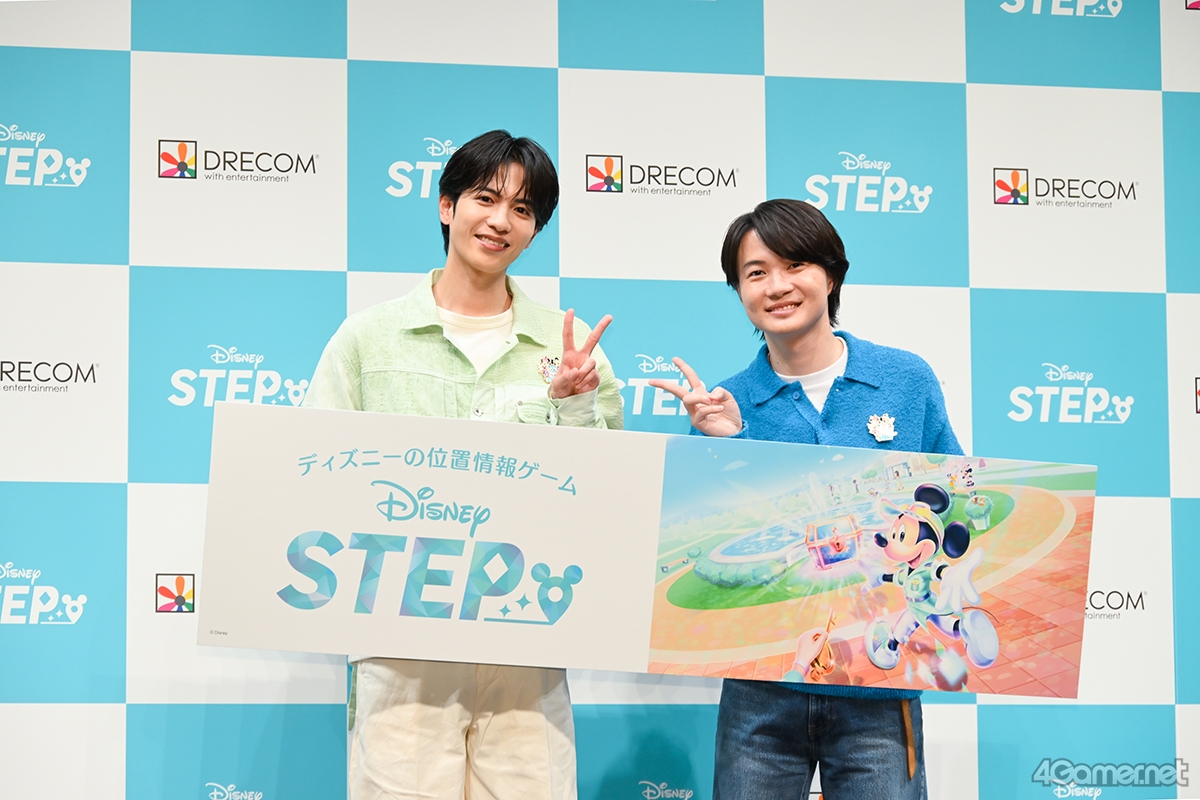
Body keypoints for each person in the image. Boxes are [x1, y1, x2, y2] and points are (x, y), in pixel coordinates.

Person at [303, 129, 623, 800]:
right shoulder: (368, 339)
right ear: (447, 206)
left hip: (528, 648)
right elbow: (313, 475)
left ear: (535, 230)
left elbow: (608, 502)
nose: (501, 220)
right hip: (402, 647)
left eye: (523, 209)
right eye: (485, 198)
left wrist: (572, 404)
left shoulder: (573, 350)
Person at [649, 198, 962, 800]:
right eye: (756, 272)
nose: (777, 286)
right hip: (761, 689)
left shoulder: (905, 379)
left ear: (831, 275)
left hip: (880, 683)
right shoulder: (726, 403)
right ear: (739, 290)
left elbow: (948, 500)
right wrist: (725, 447)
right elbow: (718, 539)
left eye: (795, 265)